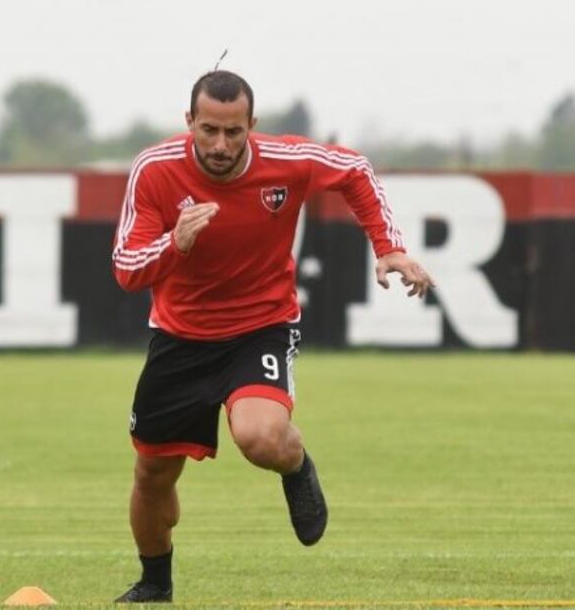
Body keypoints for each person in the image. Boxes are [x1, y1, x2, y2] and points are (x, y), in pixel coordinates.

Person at [110, 70, 433, 603]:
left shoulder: (288, 161)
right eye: (208, 130)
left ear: (251, 126)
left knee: (260, 438)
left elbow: (354, 168)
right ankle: (155, 583)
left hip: (259, 328)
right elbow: (126, 267)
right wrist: (175, 243)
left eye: (233, 132)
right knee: (152, 473)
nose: (220, 145)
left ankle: (296, 462)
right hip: (180, 336)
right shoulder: (154, 170)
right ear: (188, 121)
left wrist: (388, 246)